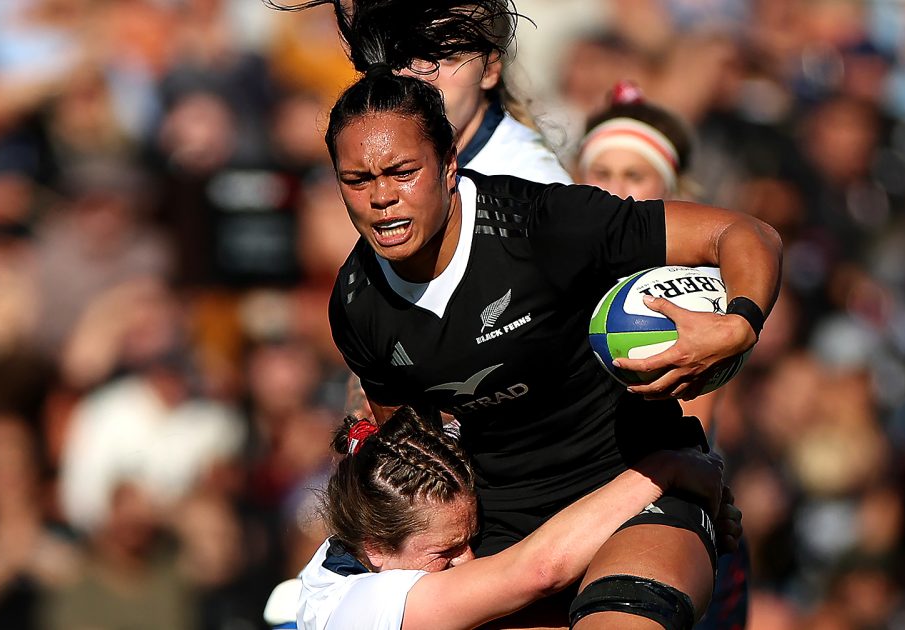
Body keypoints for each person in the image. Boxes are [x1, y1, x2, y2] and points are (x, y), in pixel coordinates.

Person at [322, 50, 782, 630]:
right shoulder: (358, 304)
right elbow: (418, 457)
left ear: (449, 164)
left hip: (643, 483)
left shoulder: (541, 224)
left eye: (402, 172)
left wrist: (738, 322)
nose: (381, 197)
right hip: (500, 531)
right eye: (357, 180)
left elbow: (743, 232)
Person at [297, 406, 736, 630]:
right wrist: (668, 471)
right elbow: (538, 571)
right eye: (444, 552)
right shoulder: (354, 612)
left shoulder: (408, 484)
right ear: (375, 549)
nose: (468, 559)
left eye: (469, 538)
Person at [575, 81, 751, 630]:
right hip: (579, 509)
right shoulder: (552, 277)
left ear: (672, 189)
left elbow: (691, 426)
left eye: (635, 174)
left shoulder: (700, 297)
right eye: (601, 172)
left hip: (667, 508)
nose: (616, 189)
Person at [267, 0, 571, 185]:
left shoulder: (530, 182)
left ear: (490, 70)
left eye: (449, 57)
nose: (423, 74)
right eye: (409, 54)